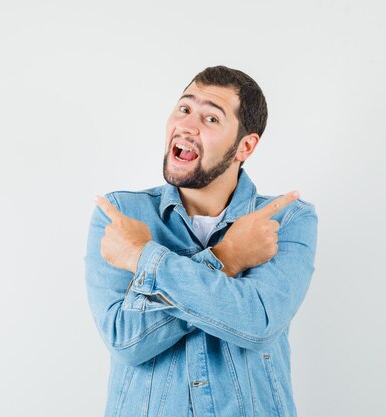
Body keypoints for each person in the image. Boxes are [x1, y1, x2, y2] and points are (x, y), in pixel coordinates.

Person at [84, 65, 318, 417]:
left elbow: (258, 323)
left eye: (211, 119)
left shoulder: (286, 219)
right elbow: (126, 341)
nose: (188, 126)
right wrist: (226, 257)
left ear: (245, 146)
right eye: (184, 108)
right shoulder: (120, 216)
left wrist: (145, 258)